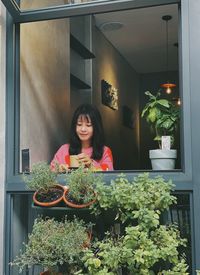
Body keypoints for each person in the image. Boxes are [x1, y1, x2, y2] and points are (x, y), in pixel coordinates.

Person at [50, 104, 113, 172]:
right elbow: (50, 171)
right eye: (79, 124)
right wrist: (58, 169)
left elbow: (109, 175)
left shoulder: (105, 151)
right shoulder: (64, 150)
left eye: (88, 125)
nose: (83, 129)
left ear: (96, 127)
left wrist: (91, 165)